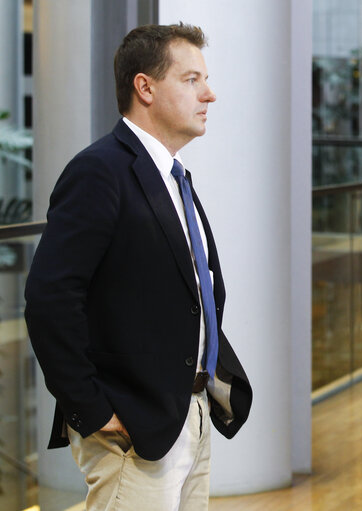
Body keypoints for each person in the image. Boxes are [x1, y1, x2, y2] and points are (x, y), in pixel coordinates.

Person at [24, 23, 252, 510]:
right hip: (131, 424)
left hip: (187, 411)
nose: (209, 94)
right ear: (144, 87)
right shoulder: (100, 170)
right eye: (192, 80)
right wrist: (92, 409)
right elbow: (49, 299)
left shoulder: (172, 174)